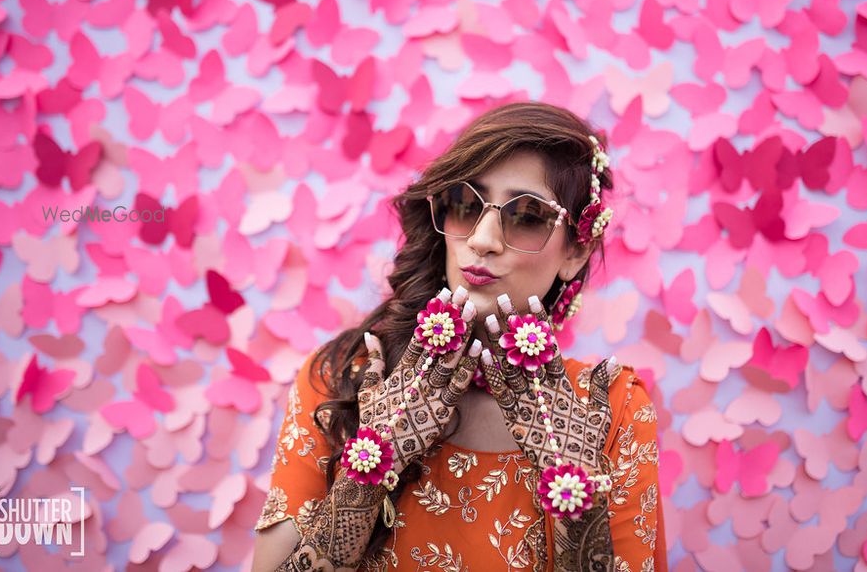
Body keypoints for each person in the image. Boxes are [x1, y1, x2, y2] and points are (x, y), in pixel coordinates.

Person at [252, 102, 667, 572]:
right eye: (466, 204)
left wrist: (576, 503)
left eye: (527, 214)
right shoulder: (348, 377)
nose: (483, 239)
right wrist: (369, 468)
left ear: (575, 250)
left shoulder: (608, 409)